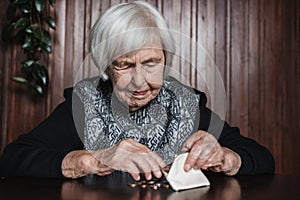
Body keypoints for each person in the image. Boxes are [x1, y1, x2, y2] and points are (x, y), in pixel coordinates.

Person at [0, 1, 274, 180]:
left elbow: (262, 159)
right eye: (125, 65)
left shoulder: (184, 104)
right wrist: (92, 159)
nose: (140, 81)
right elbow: (13, 160)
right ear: (106, 67)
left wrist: (225, 156)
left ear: (166, 60)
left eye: (152, 63)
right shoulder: (86, 105)